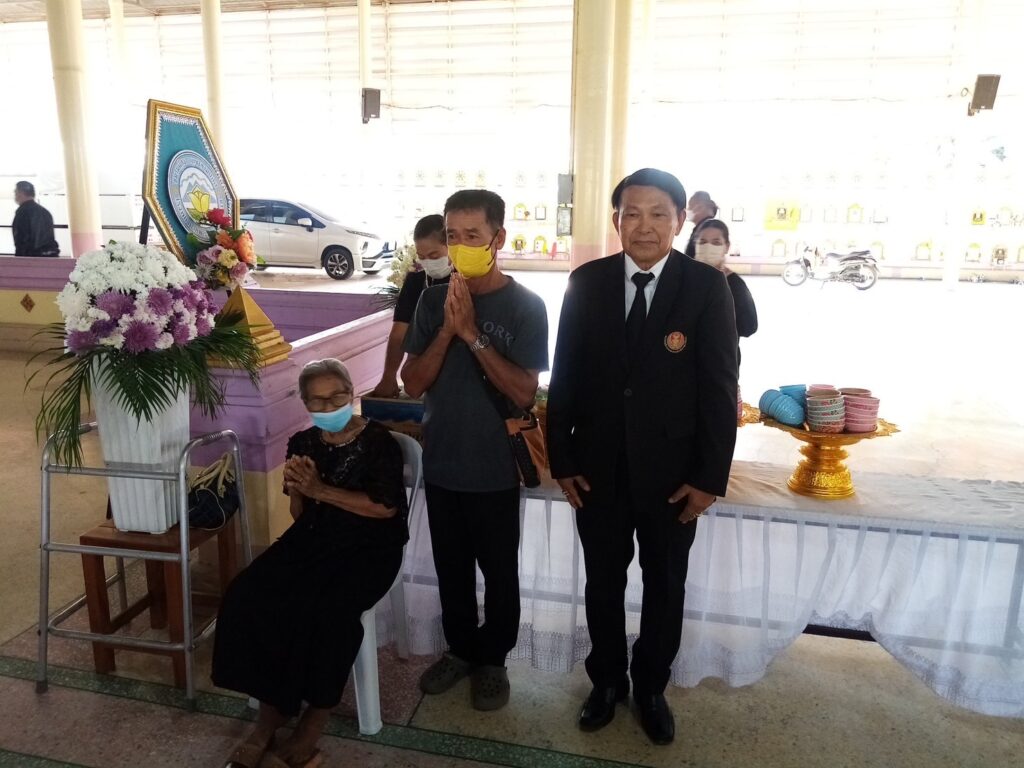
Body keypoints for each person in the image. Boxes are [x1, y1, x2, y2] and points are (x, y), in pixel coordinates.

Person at [546, 168, 738, 746]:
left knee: (666, 584)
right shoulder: (587, 282)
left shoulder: (705, 289)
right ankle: (606, 682)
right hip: (597, 471)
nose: (645, 226)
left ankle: (651, 687)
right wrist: (562, 459)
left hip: (673, 478)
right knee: (602, 583)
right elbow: (565, 376)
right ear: (616, 221)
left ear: (680, 222)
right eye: (632, 213)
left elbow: (719, 389)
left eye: (659, 214)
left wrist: (708, 478)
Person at [212, 358, 408, 768]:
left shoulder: (379, 442)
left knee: (329, 611)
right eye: (317, 400)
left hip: (370, 548)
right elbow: (301, 516)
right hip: (312, 540)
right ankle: (270, 715)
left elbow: (385, 508)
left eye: (336, 396)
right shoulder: (303, 442)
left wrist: (320, 489)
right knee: (247, 594)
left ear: (351, 392)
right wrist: (299, 491)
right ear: (305, 403)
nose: (329, 405)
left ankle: (314, 719)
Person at [401, 189, 548, 712]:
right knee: (452, 569)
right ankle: (461, 650)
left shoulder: (526, 306)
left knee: (500, 573)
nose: (460, 245)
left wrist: (473, 335)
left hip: (496, 469)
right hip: (443, 463)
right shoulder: (430, 301)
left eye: (472, 235)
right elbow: (413, 382)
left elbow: (524, 392)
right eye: (453, 236)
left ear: (498, 239)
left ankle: (494, 661)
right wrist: (447, 331)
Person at [370, 214, 452, 397]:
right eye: (422, 257)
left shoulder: (468, 277)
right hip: (421, 368)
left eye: (434, 256)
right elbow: (399, 332)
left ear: (451, 246)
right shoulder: (416, 279)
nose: (428, 262)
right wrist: (389, 376)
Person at [694, 218, 758, 363]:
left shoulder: (734, 284)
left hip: (721, 362)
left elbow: (749, 326)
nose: (708, 247)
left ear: (726, 247)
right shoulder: (683, 278)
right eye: (702, 242)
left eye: (716, 243)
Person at [12, 181, 59, 257]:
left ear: (20, 193)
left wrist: (19, 258)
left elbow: (21, 238)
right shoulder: (45, 212)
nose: (15, 195)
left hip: (31, 256)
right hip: (50, 255)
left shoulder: (22, 212)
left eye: (15, 192)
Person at [682, 189, 717, 259]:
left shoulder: (709, 229)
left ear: (700, 207)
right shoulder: (700, 228)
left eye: (690, 207)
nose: (688, 210)